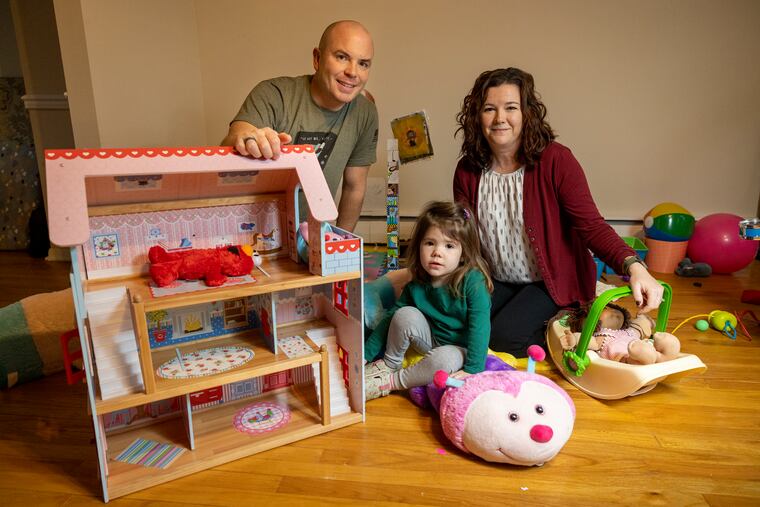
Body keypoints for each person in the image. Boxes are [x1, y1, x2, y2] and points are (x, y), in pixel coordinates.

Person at [452, 67, 664, 356]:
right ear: (477, 116)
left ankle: (590, 326)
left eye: (511, 108)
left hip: (551, 283)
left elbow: (592, 226)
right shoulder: (468, 170)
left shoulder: (556, 160)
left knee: (502, 339)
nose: (500, 118)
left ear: (527, 113)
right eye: (490, 109)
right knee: (461, 327)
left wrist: (635, 267)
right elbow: (462, 237)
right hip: (496, 278)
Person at [221, 20, 378, 232]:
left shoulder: (365, 113)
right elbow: (235, 137)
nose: (353, 72)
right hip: (255, 233)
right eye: (342, 57)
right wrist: (250, 138)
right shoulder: (274, 94)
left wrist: (343, 242)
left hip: (312, 237)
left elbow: (354, 187)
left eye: (363, 63)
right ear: (317, 58)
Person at [363, 201, 493, 400]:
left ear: (463, 254)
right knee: (403, 314)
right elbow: (392, 318)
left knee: (444, 358)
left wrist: (473, 369)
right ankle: (389, 365)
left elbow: (480, 327)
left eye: (449, 246)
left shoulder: (473, 282)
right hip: (430, 339)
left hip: (459, 348)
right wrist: (366, 354)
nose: (437, 253)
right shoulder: (418, 281)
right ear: (419, 245)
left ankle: (392, 382)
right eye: (430, 243)